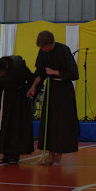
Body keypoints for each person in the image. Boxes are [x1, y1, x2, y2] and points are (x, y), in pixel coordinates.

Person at [27, 30, 79, 166]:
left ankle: (58, 156)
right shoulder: (43, 52)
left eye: (45, 47)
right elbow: (40, 72)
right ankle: (49, 155)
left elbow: (74, 73)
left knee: (61, 123)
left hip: (65, 91)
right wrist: (33, 87)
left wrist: (54, 72)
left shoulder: (64, 50)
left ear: (51, 43)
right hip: (52, 89)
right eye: (42, 48)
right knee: (49, 121)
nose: (44, 50)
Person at [0, 55, 35, 164]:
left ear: (5, 69)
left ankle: (15, 155)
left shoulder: (18, 66)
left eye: (0, 73)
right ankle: (5, 154)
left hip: (20, 100)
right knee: (5, 127)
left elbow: (31, 80)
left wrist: (30, 92)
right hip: (5, 99)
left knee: (16, 127)